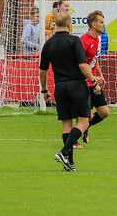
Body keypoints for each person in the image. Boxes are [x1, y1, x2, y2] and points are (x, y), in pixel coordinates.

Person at [39, 11, 102, 171]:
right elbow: (82, 65)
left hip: (59, 87)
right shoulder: (74, 40)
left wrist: (45, 90)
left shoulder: (48, 44)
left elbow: (43, 71)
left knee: (66, 125)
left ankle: (69, 163)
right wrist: (94, 82)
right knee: (84, 122)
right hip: (76, 86)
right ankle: (64, 151)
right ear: (69, 24)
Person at [80, 10, 110, 145]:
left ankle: (85, 128)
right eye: (101, 22)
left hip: (93, 80)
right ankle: (73, 139)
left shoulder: (98, 39)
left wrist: (100, 75)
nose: (104, 24)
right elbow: (81, 64)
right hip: (84, 82)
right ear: (93, 25)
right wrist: (92, 78)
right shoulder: (84, 41)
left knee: (104, 112)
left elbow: (94, 60)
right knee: (88, 116)